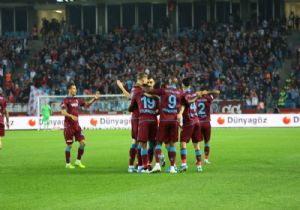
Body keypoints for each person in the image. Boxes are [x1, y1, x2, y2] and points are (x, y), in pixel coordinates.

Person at [147, 77, 182, 174]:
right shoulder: (179, 92)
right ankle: (172, 167)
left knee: (158, 142)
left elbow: (151, 91)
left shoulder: (164, 90)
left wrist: (145, 87)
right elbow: (184, 103)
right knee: (172, 144)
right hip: (174, 121)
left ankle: (157, 165)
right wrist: (180, 114)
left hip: (164, 120)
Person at [61, 82, 100, 169]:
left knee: (83, 142)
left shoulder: (77, 100)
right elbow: (63, 112)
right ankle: (67, 164)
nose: (75, 90)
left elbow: (86, 105)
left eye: (75, 88)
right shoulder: (65, 100)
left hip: (76, 125)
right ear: (69, 90)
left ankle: (78, 161)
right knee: (69, 145)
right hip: (69, 126)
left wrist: (94, 99)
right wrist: (71, 116)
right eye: (74, 88)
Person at [116, 73, 148, 173]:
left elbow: (129, 97)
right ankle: (140, 165)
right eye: (146, 81)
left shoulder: (135, 89)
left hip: (135, 117)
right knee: (140, 141)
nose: (147, 83)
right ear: (142, 80)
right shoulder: (140, 90)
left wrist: (121, 87)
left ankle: (132, 165)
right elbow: (131, 98)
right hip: (139, 117)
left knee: (135, 141)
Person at [128, 79, 159, 173]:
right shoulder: (156, 97)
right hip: (153, 120)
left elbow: (130, 108)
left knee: (142, 143)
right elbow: (159, 110)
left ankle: (143, 166)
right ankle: (148, 164)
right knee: (153, 143)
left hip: (143, 120)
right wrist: (152, 112)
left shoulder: (137, 94)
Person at [177, 78, 203, 172]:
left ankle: (184, 164)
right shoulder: (194, 93)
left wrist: (180, 114)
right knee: (196, 145)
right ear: (190, 85)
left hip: (189, 121)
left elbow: (184, 104)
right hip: (197, 121)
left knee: (183, 143)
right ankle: (199, 166)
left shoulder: (183, 95)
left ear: (182, 85)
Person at [196, 90, 220, 164]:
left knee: (197, 143)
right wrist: (209, 92)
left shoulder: (196, 99)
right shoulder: (208, 98)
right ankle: (206, 159)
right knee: (207, 142)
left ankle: (198, 160)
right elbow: (217, 92)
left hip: (198, 122)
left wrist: (200, 93)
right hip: (206, 123)